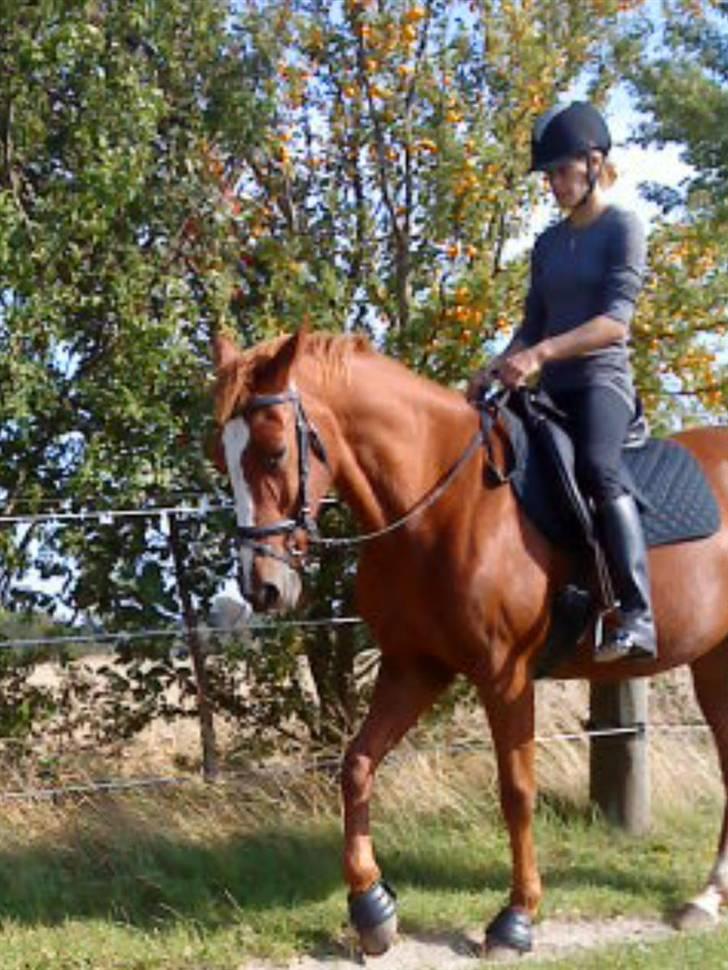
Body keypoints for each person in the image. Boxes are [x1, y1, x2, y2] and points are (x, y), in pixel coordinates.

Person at [469, 101, 657, 663]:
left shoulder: (623, 227)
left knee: (598, 468)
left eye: (558, 171)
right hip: (551, 388)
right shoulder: (548, 244)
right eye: (548, 174)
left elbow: (614, 323)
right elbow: (531, 326)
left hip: (602, 382)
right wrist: (497, 365)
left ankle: (637, 614)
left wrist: (542, 354)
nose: (551, 183)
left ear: (593, 163)